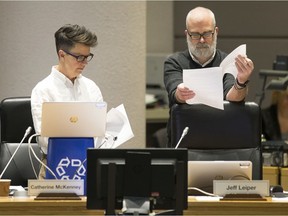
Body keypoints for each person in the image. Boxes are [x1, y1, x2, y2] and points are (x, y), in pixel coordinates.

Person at [164, 6, 254, 147]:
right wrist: (181, 93)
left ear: (216, 32)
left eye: (206, 34)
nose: (201, 40)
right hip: (185, 142)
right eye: (195, 35)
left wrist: (241, 81)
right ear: (187, 34)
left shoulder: (227, 61)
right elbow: (174, 91)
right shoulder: (174, 62)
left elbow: (233, 96)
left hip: (222, 141)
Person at [31, 24, 103, 178]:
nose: (84, 63)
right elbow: (44, 139)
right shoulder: (43, 89)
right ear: (62, 54)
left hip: (88, 165)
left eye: (87, 57)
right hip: (54, 165)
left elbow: (100, 133)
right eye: (79, 57)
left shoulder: (91, 88)